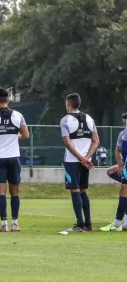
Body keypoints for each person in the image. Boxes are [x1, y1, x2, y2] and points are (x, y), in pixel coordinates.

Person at [0, 88, 29, 232]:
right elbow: (26, 135)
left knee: (1, 193)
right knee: (15, 192)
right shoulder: (18, 115)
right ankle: (15, 224)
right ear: (8, 100)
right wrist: (16, 137)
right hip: (13, 157)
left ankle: (4, 225)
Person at [60, 93, 99, 232]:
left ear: (68, 105)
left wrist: (80, 158)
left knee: (75, 189)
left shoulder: (65, 120)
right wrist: (87, 157)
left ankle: (80, 224)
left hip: (72, 161)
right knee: (83, 190)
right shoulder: (89, 119)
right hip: (85, 161)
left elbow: (67, 143)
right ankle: (88, 224)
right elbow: (96, 141)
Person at [101, 113, 127, 231]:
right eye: (124, 123)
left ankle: (117, 224)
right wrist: (121, 166)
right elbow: (118, 151)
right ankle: (123, 223)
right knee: (123, 189)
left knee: (124, 191)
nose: (125, 125)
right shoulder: (123, 134)